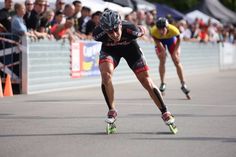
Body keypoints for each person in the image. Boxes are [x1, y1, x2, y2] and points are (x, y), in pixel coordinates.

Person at [92, 9, 176, 129]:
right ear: (104, 30)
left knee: (146, 81)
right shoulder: (98, 34)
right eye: (110, 32)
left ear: (120, 24)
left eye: (116, 29)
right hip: (110, 51)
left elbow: (145, 29)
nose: (114, 34)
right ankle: (112, 110)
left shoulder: (131, 29)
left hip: (131, 50)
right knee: (106, 76)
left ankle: (165, 112)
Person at [150, 17, 190, 98]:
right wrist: (162, 50)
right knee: (162, 59)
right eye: (159, 29)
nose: (161, 31)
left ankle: (183, 83)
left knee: (176, 60)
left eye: (163, 29)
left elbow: (179, 40)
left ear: (167, 27)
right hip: (160, 41)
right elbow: (156, 40)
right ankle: (162, 83)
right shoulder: (154, 31)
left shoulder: (173, 29)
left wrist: (175, 52)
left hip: (171, 41)